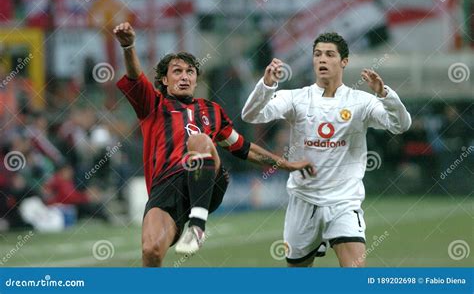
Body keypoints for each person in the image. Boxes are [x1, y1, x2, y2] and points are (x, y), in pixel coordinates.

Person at [113, 22, 315, 267]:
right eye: (177, 71)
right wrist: (128, 46)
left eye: (190, 71)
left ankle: (197, 225)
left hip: (207, 179)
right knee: (151, 251)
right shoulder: (152, 105)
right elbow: (135, 75)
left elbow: (243, 147)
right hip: (165, 190)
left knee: (199, 140)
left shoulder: (212, 111)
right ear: (164, 80)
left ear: (197, 80)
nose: (185, 76)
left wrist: (287, 165)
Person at [241, 32, 412, 267]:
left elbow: (401, 125)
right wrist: (267, 85)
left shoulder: (361, 101)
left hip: (344, 201)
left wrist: (385, 95)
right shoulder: (295, 98)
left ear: (344, 61)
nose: (322, 59)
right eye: (317, 54)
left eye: (330, 54)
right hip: (303, 200)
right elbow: (250, 115)